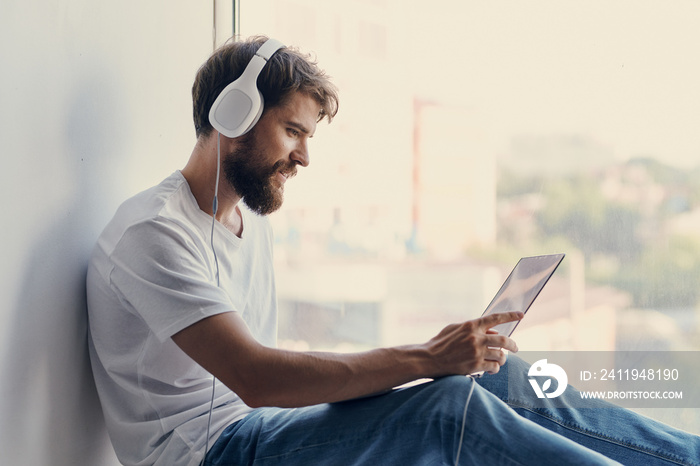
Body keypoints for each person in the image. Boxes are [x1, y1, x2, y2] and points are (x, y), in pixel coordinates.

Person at [86, 35, 700, 466]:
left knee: (500, 379)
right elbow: (255, 377)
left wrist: (440, 358)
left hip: (261, 429)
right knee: (448, 410)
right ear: (234, 114)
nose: (304, 157)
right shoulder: (154, 232)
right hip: (217, 453)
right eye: (294, 131)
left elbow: (270, 374)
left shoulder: (247, 222)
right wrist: (427, 358)